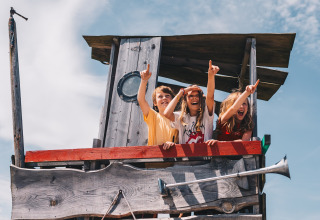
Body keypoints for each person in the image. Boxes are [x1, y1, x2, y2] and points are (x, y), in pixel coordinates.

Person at [164, 60, 219, 145]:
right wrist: (181, 92)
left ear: (201, 99)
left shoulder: (207, 115)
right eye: (190, 96)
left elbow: (210, 96)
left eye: (197, 96)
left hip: (204, 157)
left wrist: (211, 76)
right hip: (186, 158)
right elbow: (166, 113)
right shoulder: (181, 117)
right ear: (185, 100)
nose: (194, 99)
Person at [137, 64, 177, 150]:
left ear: (173, 100)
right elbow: (141, 99)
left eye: (167, 96)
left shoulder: (178, 118)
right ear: (155, 103)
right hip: (153, 160)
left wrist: (173, 144)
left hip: (173, 161)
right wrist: (144, 81)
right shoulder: (153, 116)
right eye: (160, 96)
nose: (164, 98)